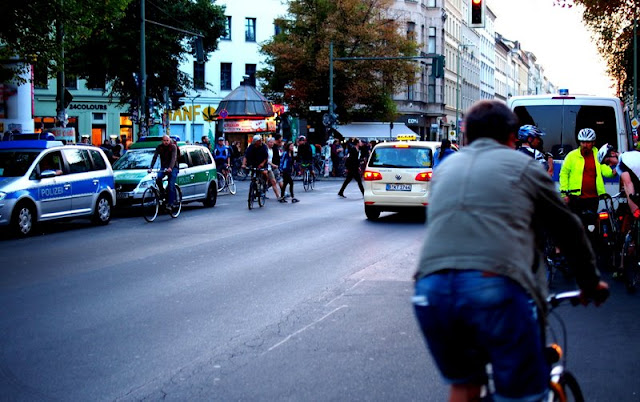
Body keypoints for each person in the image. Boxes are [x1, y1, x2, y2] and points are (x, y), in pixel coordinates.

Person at [412, 100, 608, 402]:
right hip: (494, 284)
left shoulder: (446, 168)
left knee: (464, 385)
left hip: (430, 290)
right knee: (519, 395)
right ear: (511, 137)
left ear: (467, 136)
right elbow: (568, 229)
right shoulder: (523, 166)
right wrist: (590, 283)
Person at [559, 128, 616, 253]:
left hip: (593, 197)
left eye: (588, 142)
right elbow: (564, 174)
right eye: (582, 142)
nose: (585, 145)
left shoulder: (598, 154)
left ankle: (589, 249)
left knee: (591, 224)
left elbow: (604, 170)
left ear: (593, 142)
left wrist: (613, 172)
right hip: (575, 196)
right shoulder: (572, 156)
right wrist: (564, 193)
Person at [148, 135, 179, 207]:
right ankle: (162, 193)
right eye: (164, 140)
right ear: (162, 141)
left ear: (169, 140)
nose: (166, 142)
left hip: (173, 167)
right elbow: (155, 157)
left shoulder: (173, 147)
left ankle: (171, 203)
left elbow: (173, 158)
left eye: (167, 140)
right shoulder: (159, 147)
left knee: (171, 184)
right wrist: (151, 167)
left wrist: (170, 168)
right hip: (164, 167)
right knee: (158, 178)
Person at [266, 137, 286, 202]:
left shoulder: (271, 150)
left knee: (273, 182)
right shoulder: (265, 149)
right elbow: (265, 160)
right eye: (270, 142)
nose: (272, 144)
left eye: (272, 142)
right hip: (265, 167)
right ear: (267, 142)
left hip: (270, 168)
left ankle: (278, 196)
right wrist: (273, 165)